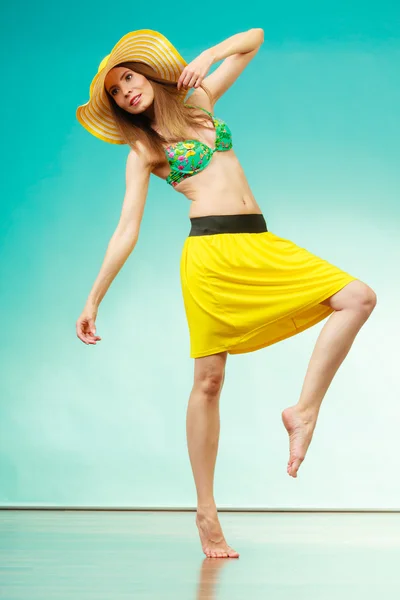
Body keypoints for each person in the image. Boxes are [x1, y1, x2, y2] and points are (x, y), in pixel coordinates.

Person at [75, 29, 377, 559]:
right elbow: (127, 228)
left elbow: (255, 39)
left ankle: (303, 411)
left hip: (260, 242)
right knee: (209, 380)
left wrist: (209, 55)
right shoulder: (143, 148)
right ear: (119, 109)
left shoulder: (199, 99)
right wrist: (93, 299)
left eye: (128, 78)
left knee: (357, 297)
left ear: (144, 73)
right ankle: (206, 512)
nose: (127, 92)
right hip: (211, 257)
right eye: (117, 93)